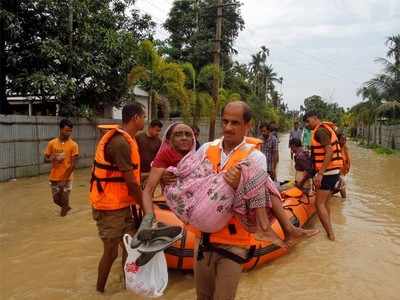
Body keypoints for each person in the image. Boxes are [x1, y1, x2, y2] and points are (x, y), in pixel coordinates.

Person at [89, 103, 147, 293]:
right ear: (136, 118)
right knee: (111, 251)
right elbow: (131, 183)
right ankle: (99, 291)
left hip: (121, 204)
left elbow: (130, 178)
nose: (144, 121)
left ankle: (126, 286)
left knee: (128, 245)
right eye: (143, 117)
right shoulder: (120, 143)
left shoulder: (126, 139)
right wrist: (145, 207)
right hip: (109, 207)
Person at [303, 111, 343, 241]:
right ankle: (329, 231)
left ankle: (330, 235)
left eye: (308, 121)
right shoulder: (325, 129)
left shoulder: (320, 131)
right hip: (333, 172)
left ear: (315, 118)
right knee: (325, 203)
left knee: (319, 204)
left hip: (327, 173)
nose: (307, 125)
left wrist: (320, 173)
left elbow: (329, 152)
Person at [44, 119, 79, 217]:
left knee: (64, 200)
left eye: (70, 131)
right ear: (60, 129)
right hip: (54, 176)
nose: (68, 133)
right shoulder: (52, 143)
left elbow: (73, 165)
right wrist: (53, 158)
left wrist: (64, 179)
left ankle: (63, 219)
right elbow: (45, 159)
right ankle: (67, 209)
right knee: (56, 200)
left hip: (67, 177)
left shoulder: (74, 145)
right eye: (66, 130)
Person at [334, 132, 350, 199]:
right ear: (338, 139)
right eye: (343, 139)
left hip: (342, 172)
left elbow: (347, 159)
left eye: (345, 139)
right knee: (341, 186)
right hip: (337, 172)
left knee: (340, 186)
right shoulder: (335, 148)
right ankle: (344, 200)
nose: (344, 141)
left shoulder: (345, 148)